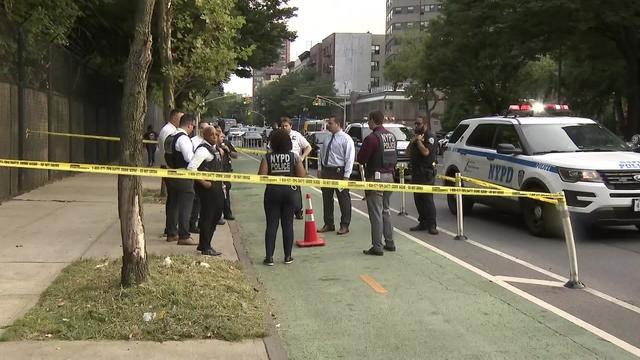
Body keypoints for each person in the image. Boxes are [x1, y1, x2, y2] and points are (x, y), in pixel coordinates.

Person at [258, 129, 306, 266]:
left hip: (272, 191)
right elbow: (302, 175)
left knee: (271, 225)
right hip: (289, 192)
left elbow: (261, 176)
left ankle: (269, 257)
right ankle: (288, 256)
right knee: (288, 225)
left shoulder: (267, 157)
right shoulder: (294, 156)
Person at [356, 110, 397, 256]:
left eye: (369, 120)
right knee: (386, 210)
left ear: (373, 120)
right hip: (390, 176)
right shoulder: (391, 136)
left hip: (376, 177)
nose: (368, 123)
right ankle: (390, 242)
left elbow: (361, 159)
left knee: (376, 214)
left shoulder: (372, 138)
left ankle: (377, 246)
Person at [188, 126, 225, 256]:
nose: (215, 137)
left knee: (216, 214)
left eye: (216, 134)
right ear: (205, 136)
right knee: (208, 216)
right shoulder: (203, 150)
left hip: (217, 186)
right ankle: (205, 246)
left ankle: (206, 243)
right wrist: (204, 183)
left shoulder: (215, 150)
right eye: (212, 135)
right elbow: (191, 168)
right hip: (208, 189)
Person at [317, 116, 355, 235]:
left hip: (339, 172)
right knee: (326, 199)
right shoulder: (327, 137)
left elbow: (349, 158)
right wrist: (320, 168)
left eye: (330, 123)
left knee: (343, 200)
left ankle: (345, 225)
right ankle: (329, 223)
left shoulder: (346, 139)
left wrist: (346, 176)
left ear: (338, 124)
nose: (328, 125)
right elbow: (321, 153)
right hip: (327, 171)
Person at [164, 113, 197, 245]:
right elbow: (190, 158)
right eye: (193, 127)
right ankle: (184, 235)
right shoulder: (183, 139)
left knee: (173, 203)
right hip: (182, 175)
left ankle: (171, 233)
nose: (192, 129)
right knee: (186, 204)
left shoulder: (170, 137)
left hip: (170, 173)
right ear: (189, 125)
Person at [409, 116, 439, 234]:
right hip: (416, 173)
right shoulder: (416, 138)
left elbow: (426, 152)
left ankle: (432, 225)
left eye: (419, 124)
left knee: (427, 200)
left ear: (425, 124)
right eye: (415, 124)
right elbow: (408, 152)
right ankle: (423, 223)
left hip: (426, 174)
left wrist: (419, 141)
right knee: (418, 199)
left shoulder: (430, 137)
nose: (416, 126)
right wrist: (413, 141)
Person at [158, 109, 184, 236]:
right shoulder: (169, 131)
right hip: (170, 168)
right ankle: (172, 230)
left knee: (173, 199)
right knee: (175, 199)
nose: (182, 121)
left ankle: (170, 228)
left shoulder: (168, 130)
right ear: (174, 118)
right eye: (181, 118)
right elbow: (168, 152)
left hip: (168, 167)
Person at [281, 117, 312, 219]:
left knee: (295, 188)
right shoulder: (278, 135)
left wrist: (302, 158)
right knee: (282, 187)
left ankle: (298, 210)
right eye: (283, 126)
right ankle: (283, 210)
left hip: (295, 165)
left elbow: (308, 147)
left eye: (286, 126)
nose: (284, 127)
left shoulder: (297, 135)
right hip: (281, 164)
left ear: (291, 126)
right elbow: (270, 148)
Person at [189, 121, 211, 233]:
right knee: (196, 202)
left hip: (206, 175)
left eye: (206, 128)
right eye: (202, 128)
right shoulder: (193, 142)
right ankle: (192, 224)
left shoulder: (208, 142)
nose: (204, 130)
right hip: (197, 176)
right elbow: (191, 161)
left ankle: (198, 222)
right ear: (198, 129)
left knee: (202, 203)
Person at [218, 128, 239, 221]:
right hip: (216, 173)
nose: (223, 138)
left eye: (223, 136)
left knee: (226, 193)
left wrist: (228, 150)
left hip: (226, 172)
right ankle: (218, 215)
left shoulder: (226, 143)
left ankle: (227, 213)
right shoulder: (212, 146)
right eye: (221, 136)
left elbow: (236, 155)